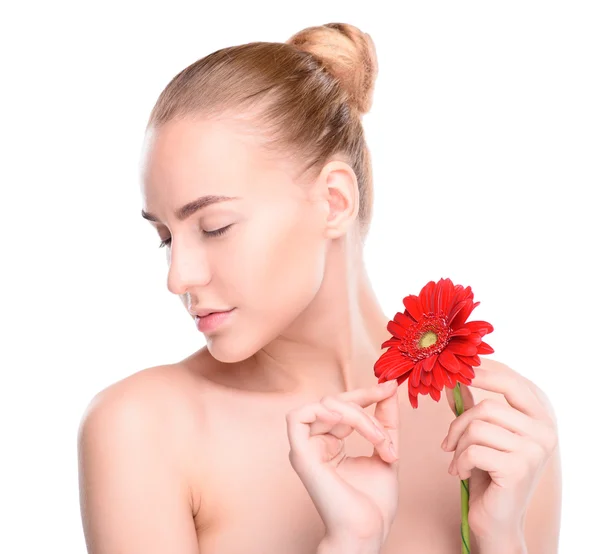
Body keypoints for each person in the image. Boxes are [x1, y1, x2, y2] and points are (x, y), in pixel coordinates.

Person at [77, 22, 562, 554]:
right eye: (165, 237)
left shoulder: (490, 423)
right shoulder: (142, 431)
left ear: (334, 201)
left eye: (214, 227)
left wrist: (502, 538)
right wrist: (348, 544)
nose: (179, 277)